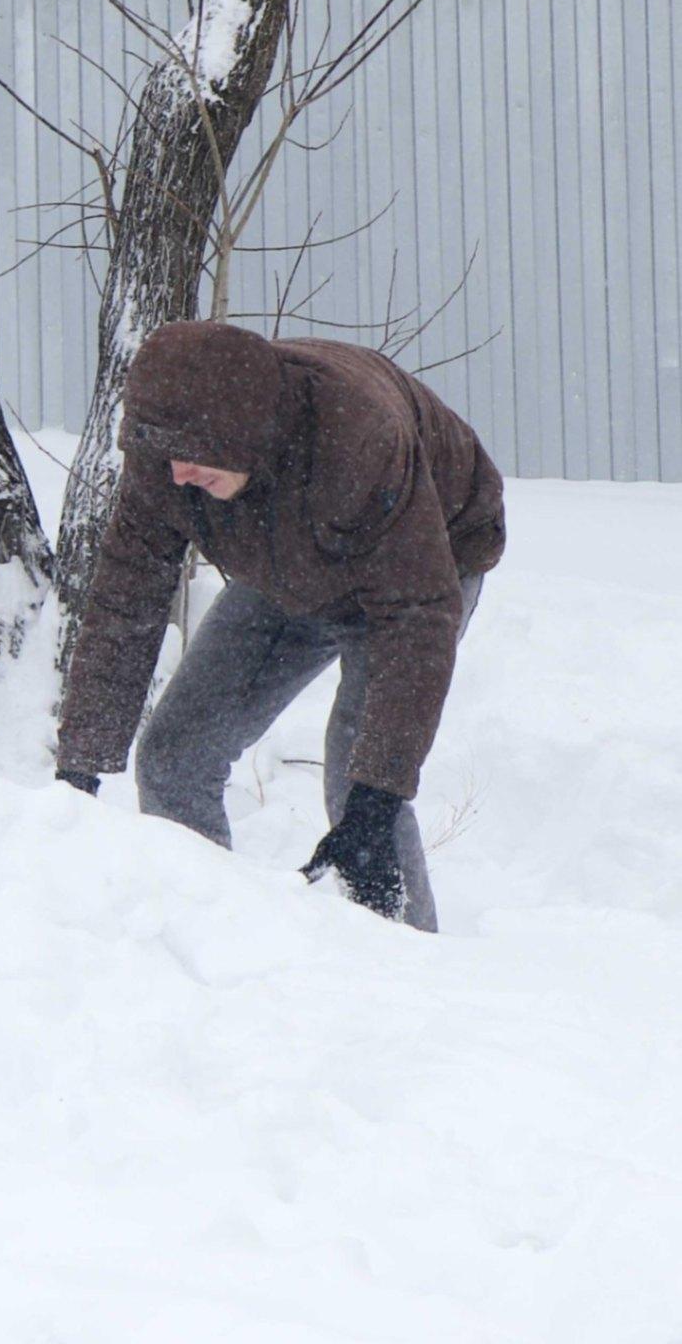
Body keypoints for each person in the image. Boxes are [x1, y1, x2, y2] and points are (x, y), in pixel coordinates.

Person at [55, 320, 506, 931]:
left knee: (361, 781)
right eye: (166, 459)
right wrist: (80, 767)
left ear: (244, 433)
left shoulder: (360, 439)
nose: (178, 476)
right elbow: (124, 602)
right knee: (174, 754)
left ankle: (410, 969)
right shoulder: (167, 457)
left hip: (421, 564)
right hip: (286, 558)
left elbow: (415, 612)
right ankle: (208, 939)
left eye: (192, 457)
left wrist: (377, 799)